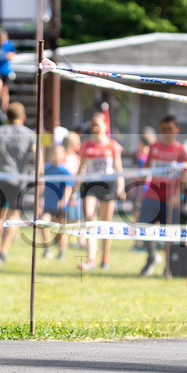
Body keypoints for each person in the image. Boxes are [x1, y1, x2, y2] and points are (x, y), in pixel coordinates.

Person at [0, 102, 35, 263]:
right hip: (18, 180)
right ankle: (3, 253)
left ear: (7, 117)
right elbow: (37, 151)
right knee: (13, 216)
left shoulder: (0, 130)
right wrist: (39, 173)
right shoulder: (29, 134)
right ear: (23, 117)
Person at [139, 115, 187, 276]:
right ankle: (152, 256)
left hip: (171, 198)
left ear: (176, 130)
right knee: (142, 228)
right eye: (164, 129)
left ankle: (168, 267)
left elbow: (185, 177)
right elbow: (146, 171)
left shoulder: (181, 151)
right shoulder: (154, 148)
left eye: (170, 129)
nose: (167, 132)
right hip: (152, 196)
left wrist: (177, 196)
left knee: (170, 234)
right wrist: (140, 190)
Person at [77, 112, 124, 270]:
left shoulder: (112, 145)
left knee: (105, 223)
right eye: (92, 125)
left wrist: (121, 185)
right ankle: (91, 258)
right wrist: (75, 188)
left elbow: (118, 168)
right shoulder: (86, 145)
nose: (95, 128)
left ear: (105, 126)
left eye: (98, 125)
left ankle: (105, 257)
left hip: (107, 185)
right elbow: (81, 168)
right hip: (90, 185)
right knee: (90, 219)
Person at [39, 144, 72, 260]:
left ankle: (61, 253)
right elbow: (41, 184)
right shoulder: (46, 168)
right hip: (48, 205)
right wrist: (39, 199)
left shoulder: (65, 171)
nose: (54, 156)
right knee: (43, 223)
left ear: (63, 155)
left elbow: (68, 188)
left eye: (57, 153)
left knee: (61, 230)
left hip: (61, 207)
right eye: (52, 153)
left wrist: (64, 200)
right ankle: (47, 248)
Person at [0, 30, 16, 113]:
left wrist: (10, 56)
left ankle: (4, 110)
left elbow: (13, 55)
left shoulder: (9, 44)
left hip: (6, 70)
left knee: (5, 91)